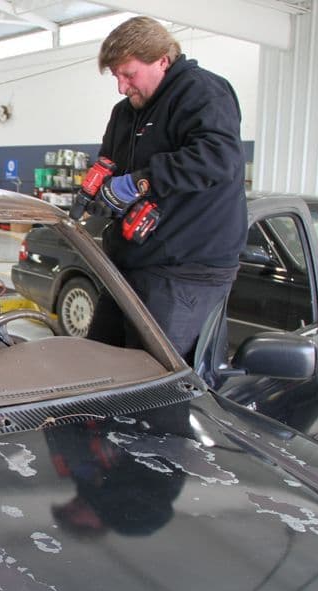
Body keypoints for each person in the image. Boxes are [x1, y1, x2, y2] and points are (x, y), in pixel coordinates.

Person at [86, 15, 248, 360]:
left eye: (129, 74)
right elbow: (109, 162)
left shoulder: (202, 92)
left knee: (152, 379)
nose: (121, 86)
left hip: (185, 270)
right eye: (116, 76)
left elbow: (217, 158)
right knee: (98, 361)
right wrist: (100, 191)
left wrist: (138, 182)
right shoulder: (125, 112)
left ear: (163, 59)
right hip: (132, 263)